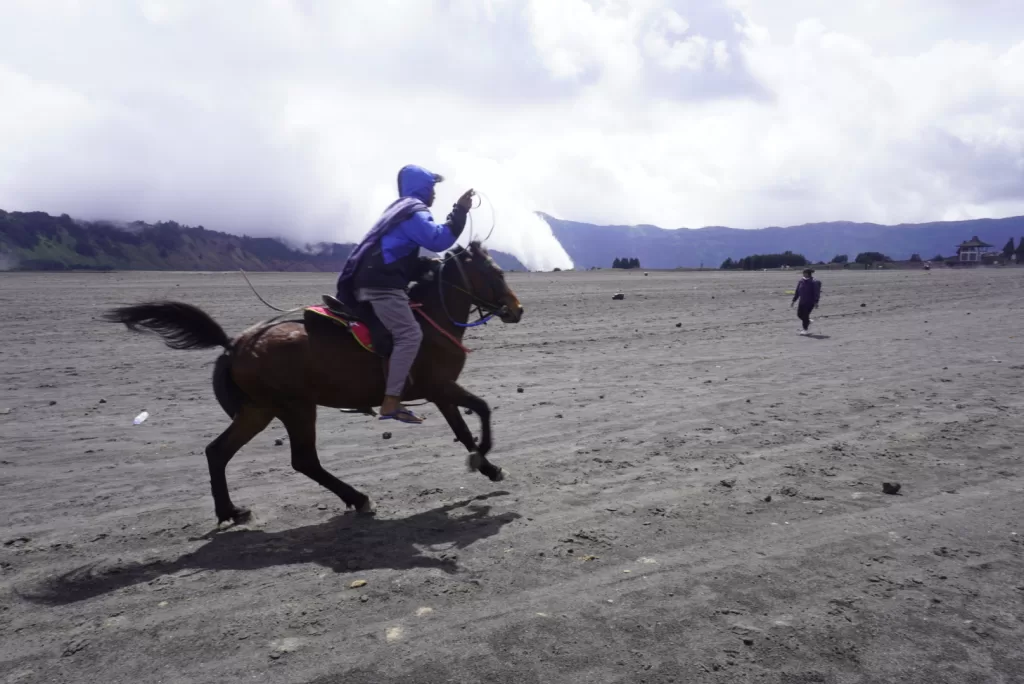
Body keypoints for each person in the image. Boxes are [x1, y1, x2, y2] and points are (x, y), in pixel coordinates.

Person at [337, 165, 475, 424]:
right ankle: (390, 402)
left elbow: (395, 253)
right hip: (382, 286)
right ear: (421, 187)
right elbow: (439, 240)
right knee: (410, 335)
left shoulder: (397, 210)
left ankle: (364, 391)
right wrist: (460, 211)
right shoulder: (414, 211)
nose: (434, 194)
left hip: (369, 280)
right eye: (432, 187)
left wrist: (424, 266)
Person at [791, 268, 822, 335]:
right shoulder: (801, 281)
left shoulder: (814, 282)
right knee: (799, 315)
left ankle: (805, 329)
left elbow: (816, 293)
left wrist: (816, 302)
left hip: (810, 302)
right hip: (802, 301)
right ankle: (808, 321)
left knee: (805, 315)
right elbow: (797, 292)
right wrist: (794, 300)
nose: (803, 274)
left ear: (808, 274)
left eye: (804, 273)